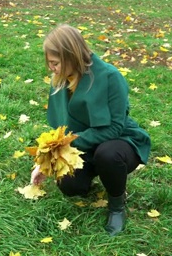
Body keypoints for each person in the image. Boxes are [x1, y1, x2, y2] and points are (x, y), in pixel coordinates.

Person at [30, 24, 151, 236]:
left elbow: (114, 128)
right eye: (50, 63)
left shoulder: (110, 77)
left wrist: (71, 142)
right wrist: (45, 162)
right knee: (70, 186)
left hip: (120, 141)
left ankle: (116, 204)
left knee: (108, 154)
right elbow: (61, 128)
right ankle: (96, 175)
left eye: (55, 63)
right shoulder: (61, 80)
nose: (52, 68)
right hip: (83, 144)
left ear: (71, 56)